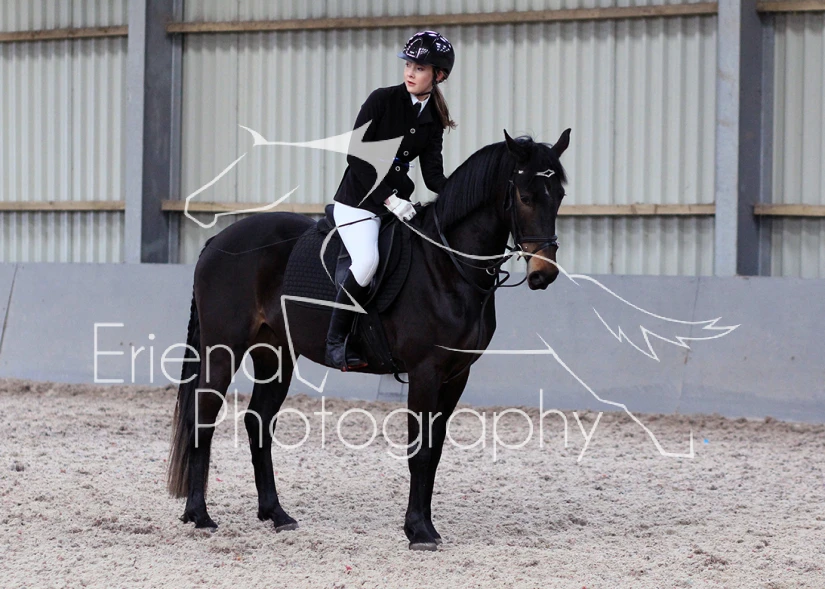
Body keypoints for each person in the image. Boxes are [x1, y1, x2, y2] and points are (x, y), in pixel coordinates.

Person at [325, 30, 457, 371]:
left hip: (398, 206)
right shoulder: (382, 100)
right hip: (359, 202)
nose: (410, 72)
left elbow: (433, 176)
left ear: (439, 76)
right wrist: (388, 198)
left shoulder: (434, 118)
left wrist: (463, 193)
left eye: (420, 68)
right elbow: (356, 156)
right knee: (367, 262)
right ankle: (336, 342)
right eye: (408, 64)